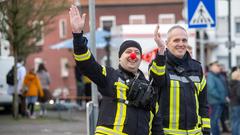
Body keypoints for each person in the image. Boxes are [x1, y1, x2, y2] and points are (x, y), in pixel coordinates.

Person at [69, 5, 163, 135]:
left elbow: (157, 126)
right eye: (128, 52)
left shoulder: (149, 88)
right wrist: (78, 36)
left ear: (140, 59)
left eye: (136, 52)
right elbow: (86, 63)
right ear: (119, 58)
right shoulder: (109, 76)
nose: (133, 55)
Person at [150, 25, 211, 135]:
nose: (181, 44)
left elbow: (203, 103)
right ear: (167, 43)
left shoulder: (197, 67)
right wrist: (161, 51)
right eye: (176, 40)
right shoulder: (159, 65)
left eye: (184, 40)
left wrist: (206, 130)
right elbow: (157, 80)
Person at [207, 61, 228, 135]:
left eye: (219, 66)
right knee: (214, 120)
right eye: (217, 66)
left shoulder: (218, 76)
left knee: (216, 120)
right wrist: (221, 97)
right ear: (212, 67)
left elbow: (224, 87)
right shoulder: (210, 76)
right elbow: (211, 89)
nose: (219, 67)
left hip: (220, 101)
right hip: (216, 102)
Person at [229, 67, 240, 135]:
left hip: (232, 104)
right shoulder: (238, 84)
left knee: (233, 122)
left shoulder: (231, 83)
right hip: (237, 104)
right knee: (237, 122)